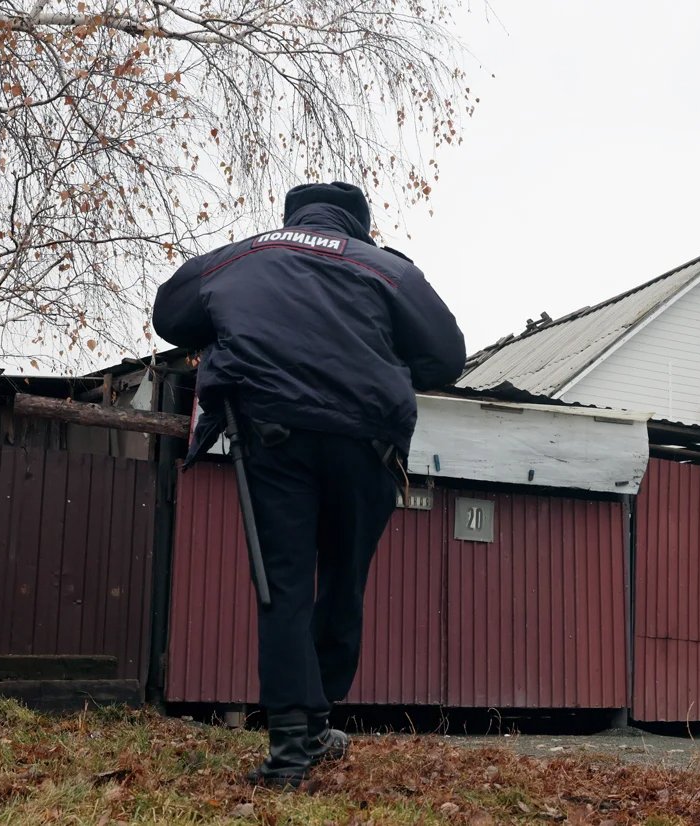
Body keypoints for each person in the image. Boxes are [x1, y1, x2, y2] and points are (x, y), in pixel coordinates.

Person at [152, 181, 465, 788]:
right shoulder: (387, 269)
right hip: (366, 443)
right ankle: (312, 723)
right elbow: (447, 356)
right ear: (360, 223)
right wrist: (390, 360)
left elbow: (171, 315)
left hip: (274, 437)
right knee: (344, 581)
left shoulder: (242, 255)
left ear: (292, 214)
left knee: (284, 586)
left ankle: (295, 742)